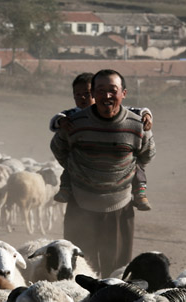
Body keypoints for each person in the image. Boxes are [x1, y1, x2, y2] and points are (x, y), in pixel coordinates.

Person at [50, 69, 156, 276]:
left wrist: (121, 172)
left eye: (112, 90)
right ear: (93, 93)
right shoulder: (74, 123)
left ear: (123, 93)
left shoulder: (137, 124)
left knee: (116, 270)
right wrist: (79, 170)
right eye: (100, 90)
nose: (106, 96)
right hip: (80, 204)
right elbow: (59, 149)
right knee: (79, 268)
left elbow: (147, 155)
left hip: (119, 206)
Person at [49, 72, 153, 211]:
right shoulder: (73, 117)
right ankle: (65, 190)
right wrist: (61, 121)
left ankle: (140, 193)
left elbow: (138, 112)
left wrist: (146, 114)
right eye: (77, 94)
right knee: (70, 166)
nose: (82, 98)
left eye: (86, 93)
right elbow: (57, 133)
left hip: (119, 195)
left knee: (136, 167)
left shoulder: (122, 114)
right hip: (82, 192)